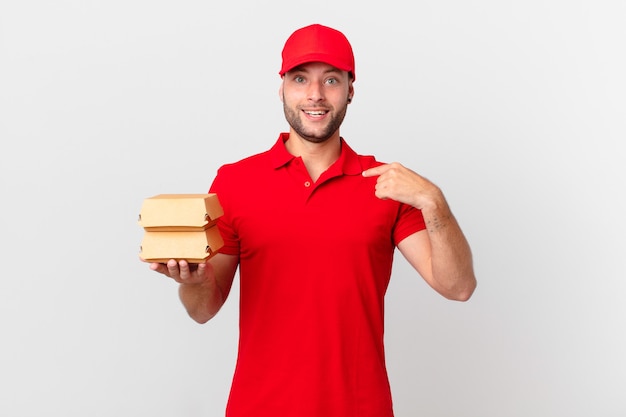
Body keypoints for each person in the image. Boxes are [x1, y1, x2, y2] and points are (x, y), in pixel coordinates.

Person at [146, 23, 476, 417]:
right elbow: (203, 309)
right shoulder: (234, 182)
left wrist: (434, 202)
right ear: (282, 87)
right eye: (301, 79)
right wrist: (195, 282)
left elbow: (457, 287)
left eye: (331, 80)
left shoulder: (386, 185)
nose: (315, 95)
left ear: (350, 90)